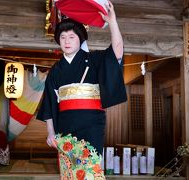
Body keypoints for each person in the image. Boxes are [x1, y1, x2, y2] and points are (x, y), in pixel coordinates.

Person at [37, 1, 126, 155]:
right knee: (69, 174)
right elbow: (49, 105)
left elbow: (117, 52)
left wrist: (112, 22)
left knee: (90, 173)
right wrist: (51, 132)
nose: (67, 41)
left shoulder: (94, 59)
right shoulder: (55, 71)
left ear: (80, 39)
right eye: (63, 37)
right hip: (65, 125)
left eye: (71, 37)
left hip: (92, 125)